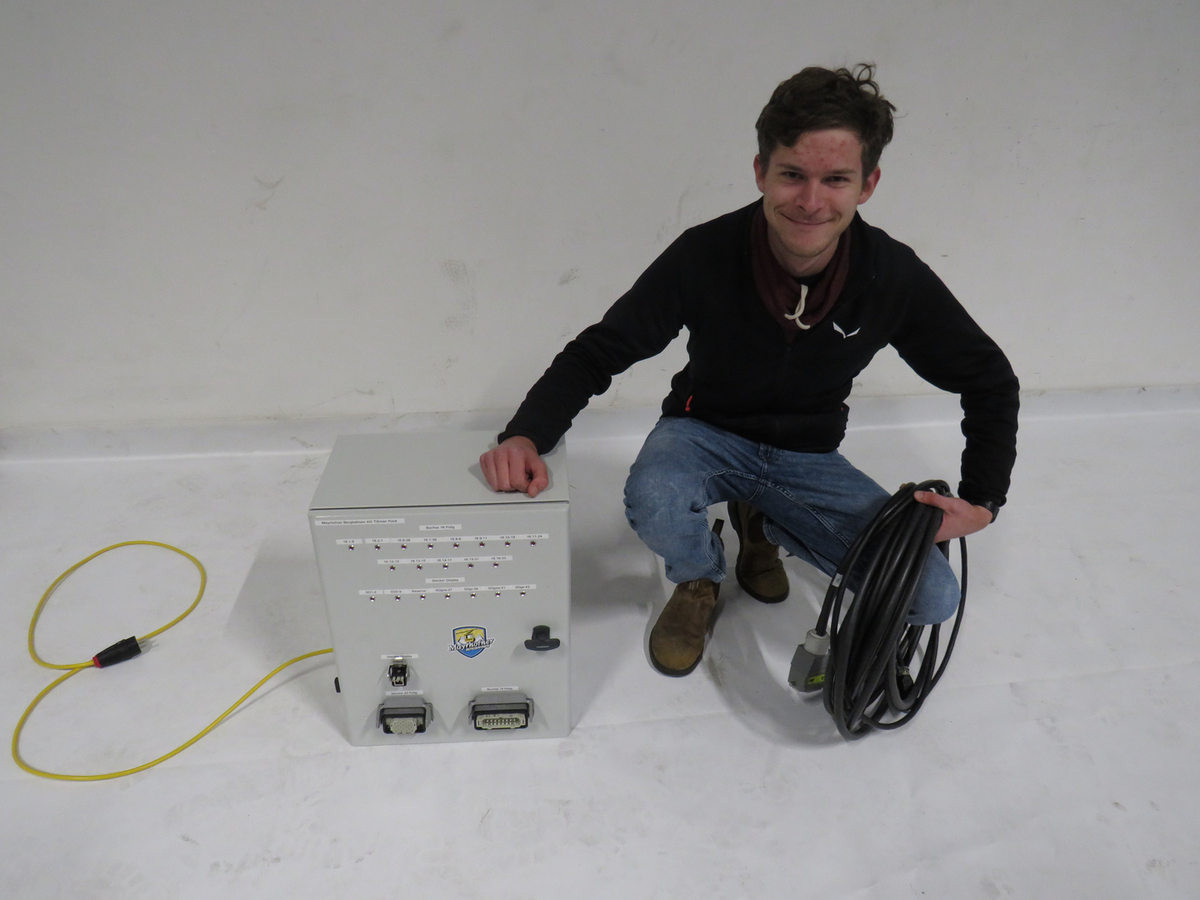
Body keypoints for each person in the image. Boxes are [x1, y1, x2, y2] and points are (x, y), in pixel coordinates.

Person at [480, 64, 1019, 677]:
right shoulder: (704, 254)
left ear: (867, 184)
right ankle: (699, 578)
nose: (810, 201)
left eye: (835, 179)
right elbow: (599, 351)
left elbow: (989, 378)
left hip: (807, 458)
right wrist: (526, 434)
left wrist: (983, 499)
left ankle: (760, 521)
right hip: (702, 433)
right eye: (792, 175)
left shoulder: (891, 276)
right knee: (656, 497)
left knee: (931, 596)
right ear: (761, 170)